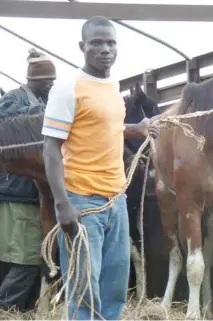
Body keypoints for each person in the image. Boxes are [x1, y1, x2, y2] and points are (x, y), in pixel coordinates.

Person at [41, 16, 160, 320]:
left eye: (110, 43)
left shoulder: (111, 86)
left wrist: (139, 128)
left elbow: (110, 127)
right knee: (84, 288)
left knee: (114, 287)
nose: (105, 49)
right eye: (96, 42)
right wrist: (63, 204)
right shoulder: (68, 88)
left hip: (115, 200)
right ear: (82, 47)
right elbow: (51, 148)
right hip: (81, 201)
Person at [0, 49, 57, 311]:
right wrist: (42, 111)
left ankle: (21, 310)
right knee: (27, 257)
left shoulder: (46, 99)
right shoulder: (13, 100)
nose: (51, 84)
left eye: (53, 79)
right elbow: (2, 124)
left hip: (35, 193)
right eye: (47, 79)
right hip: (15, 191)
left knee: (25, 255)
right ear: (33, 79)